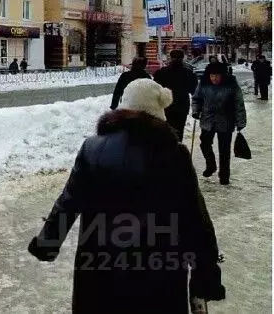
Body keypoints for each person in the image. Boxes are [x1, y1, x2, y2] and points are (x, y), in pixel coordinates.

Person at [28, 79, 225, 313]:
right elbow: (195, 217)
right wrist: (206, 272)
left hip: (100, 266)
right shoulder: (175, 154)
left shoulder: (93, 148)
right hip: (159, 270)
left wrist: (47, 243)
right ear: (158, 112)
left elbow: (68, 202)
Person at [192, 62, 247, 185]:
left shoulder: (231, 85)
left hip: (226, 121)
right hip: (207, 120)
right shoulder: (203, 84)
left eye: (217, 76)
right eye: (212, 76)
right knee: (204, 144)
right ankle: (211, 165)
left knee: (224, 150)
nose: (214, 78)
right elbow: (196, 99)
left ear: (223, 75)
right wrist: (196, 111)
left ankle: (224, 175)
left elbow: (239, 104)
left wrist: (240, 122)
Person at [153, 49, 198, 141]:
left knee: (167, 129)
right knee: (179, 129)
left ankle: (168, 150)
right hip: (182, 104)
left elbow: (156, 89)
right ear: (182, 58)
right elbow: (194, 91)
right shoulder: (188, 73)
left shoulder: (162, 72)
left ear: (170, 58)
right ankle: (177, 148)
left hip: (166, 104)